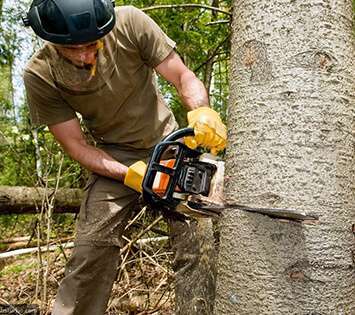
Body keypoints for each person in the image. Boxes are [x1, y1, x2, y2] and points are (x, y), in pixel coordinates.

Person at [23, 0, 227, 314]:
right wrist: (127, 174)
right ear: (51, 40)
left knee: (196, 248)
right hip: (111, 156)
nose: (85, 55)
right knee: (91, 246)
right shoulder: (40, 74)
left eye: (91, 45)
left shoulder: (130, 23)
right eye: (72, 49)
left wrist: (202, 111)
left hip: (168, 143)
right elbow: (76, 145)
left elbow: (184, 77)